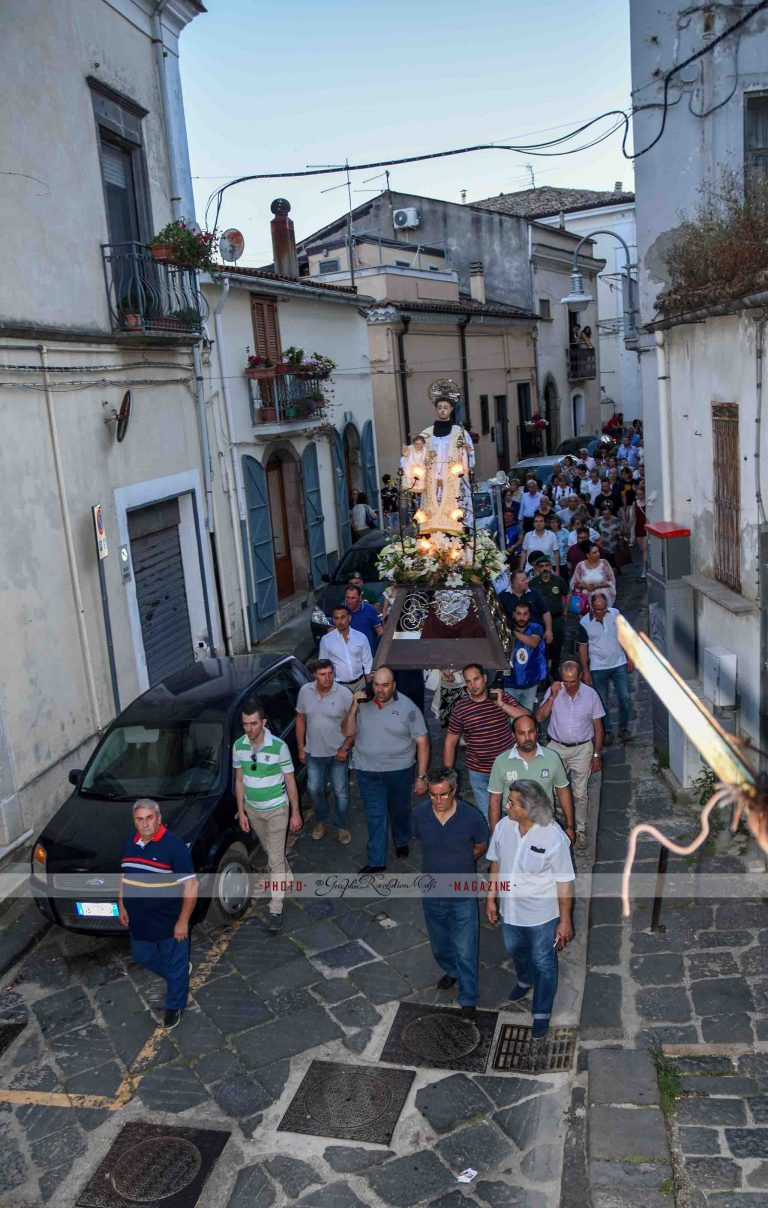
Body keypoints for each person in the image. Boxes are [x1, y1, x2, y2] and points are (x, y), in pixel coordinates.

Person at [485, 779, 575, 1039]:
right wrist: (490, 899)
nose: (506, 806)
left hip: (541, 916)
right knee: (516, 950)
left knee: (544, 962)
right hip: (510, 911)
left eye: (511, 803)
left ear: (528, 808)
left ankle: (541, 1012)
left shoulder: (553, 836)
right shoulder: (503, 827)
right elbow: (496, 863)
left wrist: (565, 921)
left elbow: (564, 881)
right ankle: (525, 980)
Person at [412, 767, 489, 1018]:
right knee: (440, 944)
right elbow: (419, 839)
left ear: (454, 790)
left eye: (443, 794)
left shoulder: (472, 817)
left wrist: (464, 860)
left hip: (462, 893)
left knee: (466, 947)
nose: (438, 800)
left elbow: (481, 844)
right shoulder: (420, 815)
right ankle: (452, 970)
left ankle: (468, 998)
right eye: (433, 795)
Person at [119, 798, 197, 1030]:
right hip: (140, 920)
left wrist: (183, 921)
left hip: (169, 921)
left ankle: (175, 1005)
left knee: (175, 961)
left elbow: (191, 886)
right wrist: (122, 904)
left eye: (149, 818)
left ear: (159, 818)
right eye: (140, 819)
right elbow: (124, 876)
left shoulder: (174, 846)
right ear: (134, 821)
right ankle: (179, 975)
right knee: (142, 955)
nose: (145, 824)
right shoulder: (130, 842)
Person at [347, 666, 429, 872]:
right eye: (376, 685)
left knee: (400, 809)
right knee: (375, 815)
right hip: (367, 770)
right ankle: (376, 861)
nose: (380, 690)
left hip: (399, 770)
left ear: (394, 685)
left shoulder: (408, 707)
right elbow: (347, 732)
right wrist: (353, 707)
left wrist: (421, 776)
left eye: (385, 685)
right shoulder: (362, 704)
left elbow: (422, 742)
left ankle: (401, 840)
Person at [233, 697, 302, 932]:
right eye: (245, 724)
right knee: (273, 851)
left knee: (273, 860)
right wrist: (241, 811)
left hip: (277, 810)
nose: (249, 729)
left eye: (253, 724)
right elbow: (239, 780)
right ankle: (288, 879)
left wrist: (295, 813)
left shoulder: (279, 747)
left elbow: (290, 781)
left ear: (263, 722)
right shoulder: (239, 746)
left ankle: (275, 908)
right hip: (253, 811)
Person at [443, 664, 527, 823]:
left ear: (485, 678)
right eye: (468, 681)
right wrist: (447, 774)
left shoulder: (500, 698)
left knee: (513, 814)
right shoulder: (461, 708)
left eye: (476, 679)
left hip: (506, 768)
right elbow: (451, 740)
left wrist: (502, 705)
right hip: (479, 771)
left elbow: (526, 717)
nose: (473, 685)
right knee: (489, 818)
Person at [536, 659, 605, 849]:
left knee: (580, 792)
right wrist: (552, 696)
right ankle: (560, 819)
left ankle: (579, 829)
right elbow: (539, 717)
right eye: (566, 681)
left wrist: (597, 754)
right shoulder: (555, 691)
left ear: (580, 676)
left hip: (582, 748)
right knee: (552, 787)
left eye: (573, 681)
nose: (569, 685)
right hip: (556, 747)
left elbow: (598, 727)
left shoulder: (591, 695)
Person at [296, 659, 355, 846]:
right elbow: (300, 719)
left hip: (338, 753)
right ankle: (321, 820)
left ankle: (341, 825)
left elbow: (354, 725)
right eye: (323, 674)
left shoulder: (344, 694)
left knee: (341, 791)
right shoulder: (305, 692)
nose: (328, 678)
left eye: (330, 673)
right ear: (315, 675)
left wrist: (345, 747)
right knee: (314, 789)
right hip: (313, 752)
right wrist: (300, 747)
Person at [487, 712, 575, 836]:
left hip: (545, 824)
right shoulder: (501, 761)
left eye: (531, 732)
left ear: (537, 731)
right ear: (513, 735)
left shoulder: (552, 758)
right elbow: (495, 800)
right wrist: (495, 834)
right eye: (521, 733)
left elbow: (563, 792)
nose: (527, 737)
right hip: (512, 825)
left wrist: (570, 826)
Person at [578, 593, 634, 744]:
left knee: (625, 697)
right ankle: (607, 730)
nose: (601, 612)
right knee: (602, 701)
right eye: (598, 609)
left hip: (619, 663)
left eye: (603, 608)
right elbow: (582, 648)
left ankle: (624, 728)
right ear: (592, 607)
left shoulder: (615, 614)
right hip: (598, 667)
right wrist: (585, 670)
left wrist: (629, 656)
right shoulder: (584, 622)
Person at [417, 394, 475, 534]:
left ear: (451, 409)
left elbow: (470, 456)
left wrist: (467, 452)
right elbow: (418, 456)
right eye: (439, 407)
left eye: (446, 407)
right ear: (436, 409)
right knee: (432, 508)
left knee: (455, 507)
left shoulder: (460, 433)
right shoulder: (426, 434)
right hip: (432, 478)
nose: (443, 410)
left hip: (453, 479)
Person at [528, 552, 570, 679]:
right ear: (537, 568)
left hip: (557, 618)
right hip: (540, 620)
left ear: (551, 566)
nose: (545, 568)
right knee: (542, 647)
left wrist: (565, 612)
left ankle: (555, 669)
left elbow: (567, 595)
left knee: (557, 645)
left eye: (547, 565)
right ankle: (544, 673)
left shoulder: (558, 580)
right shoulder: (533, 583)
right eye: (542, 566)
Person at [505, 601, 547, 713]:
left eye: (525, 614)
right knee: (511, 718)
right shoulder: (504, 630)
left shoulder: (536, 628)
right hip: (510, 683)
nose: (521, 618)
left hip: (530, 683)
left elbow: (533, 643)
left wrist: (511, 632)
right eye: (518, 614)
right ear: (513, 614)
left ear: (530, 615)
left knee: (527, 717)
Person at [319, 605, 372, 690]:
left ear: (349, 618)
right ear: (333, 620)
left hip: (360, 684)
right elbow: (323, 666)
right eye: (336, 618)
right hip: (339, 687)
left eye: (343, 617)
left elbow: (368, 664)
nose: (340, 621)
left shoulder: (361, 637)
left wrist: (369, 685)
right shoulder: (326, 640)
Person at [498, 569, 553, 641]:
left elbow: (545, 612)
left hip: (535, 634)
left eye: (526, 579)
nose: (527, 581)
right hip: (513, 637)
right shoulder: (502, 596)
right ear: (513, 584)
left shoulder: (535, 593)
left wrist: (549, 630)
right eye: (523, 580)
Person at [570, 543, 616, 608]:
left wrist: (598, 586)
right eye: (594, 552)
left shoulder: (604, 563)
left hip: (603, 598)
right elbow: (575, 583)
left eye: (598, 551)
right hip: (586, 600)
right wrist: (585, 586)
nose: (598, 554)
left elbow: (611, 581)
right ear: (588, 555)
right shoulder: (580, 565)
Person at [343, 584, 383, 653]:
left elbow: (380, 632)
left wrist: (380, 652)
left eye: (353, 598)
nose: (350, 601)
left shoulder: (370, 609)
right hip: (346, 654)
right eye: (348, 597)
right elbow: (331, 633)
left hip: (367, 653)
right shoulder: (340, 611)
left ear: (360, 598)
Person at [596, 503, 623, 568]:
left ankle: (616, 569)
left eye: (607, 514)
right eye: (603, 514)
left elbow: (621, 530)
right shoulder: (599, 520)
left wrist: (617, 532)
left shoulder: (616, 520)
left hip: (614, 545)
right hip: (603, 545)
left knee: (615, 561)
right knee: (606, 562)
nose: (605, 516)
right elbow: (595, 529)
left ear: (610, 513)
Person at [634, 484, 648, 577]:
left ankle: (644, 569)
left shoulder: (648, 503)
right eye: (638, 494)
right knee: (642, 549)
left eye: (641, 494)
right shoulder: (635, 503)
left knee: (645, 549)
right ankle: (646, 565)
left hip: (646, 527)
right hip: (638, 527)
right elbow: (634, 517)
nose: (639, 496)